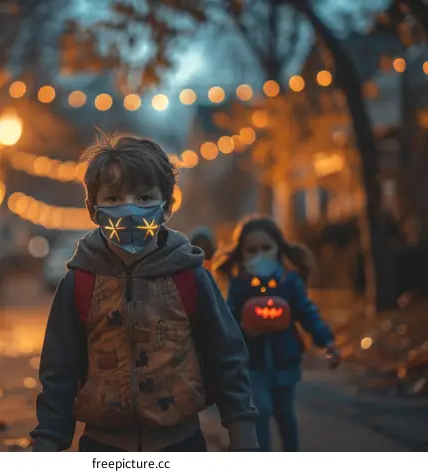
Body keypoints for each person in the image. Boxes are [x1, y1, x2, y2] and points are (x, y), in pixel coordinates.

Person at [31, 133, 258, 452]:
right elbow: (59, 372)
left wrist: (244, 436)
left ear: (167, 207)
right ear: (93, 209)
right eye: (112, 199)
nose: (129, 210)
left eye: (144, 198)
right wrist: (48, 443)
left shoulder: (190, 277)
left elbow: (226, 357)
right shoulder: (80, 283)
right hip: (103, 447)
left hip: (180, 444)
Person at [215, 215, 341, 452]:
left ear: (278, 249)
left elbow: (307, 314)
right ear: (241, 254)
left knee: (285, 413)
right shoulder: (240, 285)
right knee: (259, 409)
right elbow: (228, 321)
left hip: (286, 362)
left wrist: (327, 341)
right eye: (251, 250)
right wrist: (241, 332)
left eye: (266, 248)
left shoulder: (289, 282)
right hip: (253, 363)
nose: (259, 255)